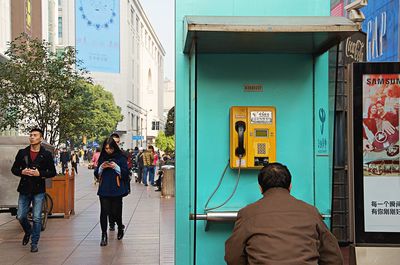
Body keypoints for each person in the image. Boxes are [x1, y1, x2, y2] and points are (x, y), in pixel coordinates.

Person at [225, 163, 343, 265]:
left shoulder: (247, 214)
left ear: (260, 188)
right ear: (290, 186)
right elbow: (333, 257)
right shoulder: (310, 212)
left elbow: (233, 257)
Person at [11, 128, 57, 253]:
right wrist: (22, 171)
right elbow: (14, 169)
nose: (32, 137)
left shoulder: (46, 154)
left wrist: (39, 173)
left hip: (38, 189)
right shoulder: (22, 152)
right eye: (30, 135)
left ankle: (34, 242)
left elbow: (53, 172)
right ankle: (28, 231)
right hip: (24, 188)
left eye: (35, 135)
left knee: (37, 217)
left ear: (40, 138)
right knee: (20, 216)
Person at [94, 137, 129, 246]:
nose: (108, 151)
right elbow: (96, 173)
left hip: (116, 188)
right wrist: (101, 167)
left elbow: (126, 173)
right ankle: (104, 234)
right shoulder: (102, 157)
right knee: (104, 212)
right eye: (106, 148)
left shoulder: (120, 157)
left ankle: (120, 227)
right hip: (104, 188)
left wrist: (116, 167)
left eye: (110, 149)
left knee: (116, 212)